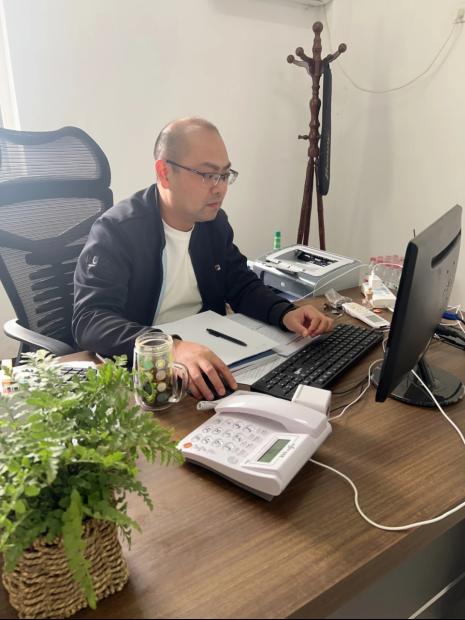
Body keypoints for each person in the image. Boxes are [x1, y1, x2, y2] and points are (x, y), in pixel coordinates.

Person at [72, 118, 333, 400]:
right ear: (164, 173)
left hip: (210, 364)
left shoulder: (213, 223)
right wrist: (169, 347)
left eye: (224, 174)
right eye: (208, 175)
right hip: (148, 380)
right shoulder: (118, 231)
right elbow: (90, 320)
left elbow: (240, 283)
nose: (220, 188)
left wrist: (284, 312)